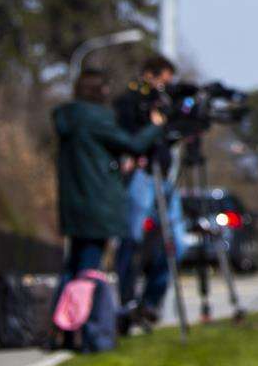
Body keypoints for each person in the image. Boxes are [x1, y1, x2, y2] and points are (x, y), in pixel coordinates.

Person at [53, 69, 161, 293]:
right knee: (88, 269)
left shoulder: (68, 117)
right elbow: (134, 144)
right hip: (97, 202)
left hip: (73, 202)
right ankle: (80, 313)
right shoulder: (96, 118)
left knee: (73, 266)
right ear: (99, 91)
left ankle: (62, 312)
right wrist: (156, 126)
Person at [113, 55, 179, 325]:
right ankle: (126, 300)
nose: (165, 87)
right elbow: (127, 139)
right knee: (132, 238)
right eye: (163, 81)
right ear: (149, 75)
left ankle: (151, 301)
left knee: (176, 243)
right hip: (141, 176)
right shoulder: (129, 101)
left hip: (163, 176)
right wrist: (151, 125)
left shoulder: (165, 105)